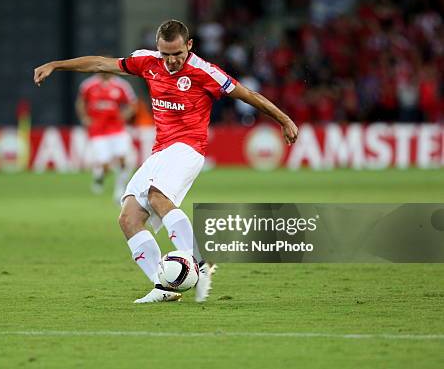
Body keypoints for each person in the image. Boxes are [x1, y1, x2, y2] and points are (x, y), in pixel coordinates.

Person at [34, 20, 298, 303]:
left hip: (189, 148)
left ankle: (198, 263)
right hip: (160, 151)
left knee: (157, 195)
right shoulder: (146, 62)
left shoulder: (205, 72)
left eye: (177, 54)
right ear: (157, 48)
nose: (171, 61)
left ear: (189, 46)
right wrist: (56, 65)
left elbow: (249, 95)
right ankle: (165, 286)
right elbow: (100, 64)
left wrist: (284, 119)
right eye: (165, 54)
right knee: (128, 218)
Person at [76, 72, 136, 200]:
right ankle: (99, 174)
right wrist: (84, 118)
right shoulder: (88, 85)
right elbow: (80, 102)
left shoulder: (121, 85)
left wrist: (124, 116)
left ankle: (119, 190)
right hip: (98, 131)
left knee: (122, 160)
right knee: (105, 165)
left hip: (117, 129)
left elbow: (132, 103)